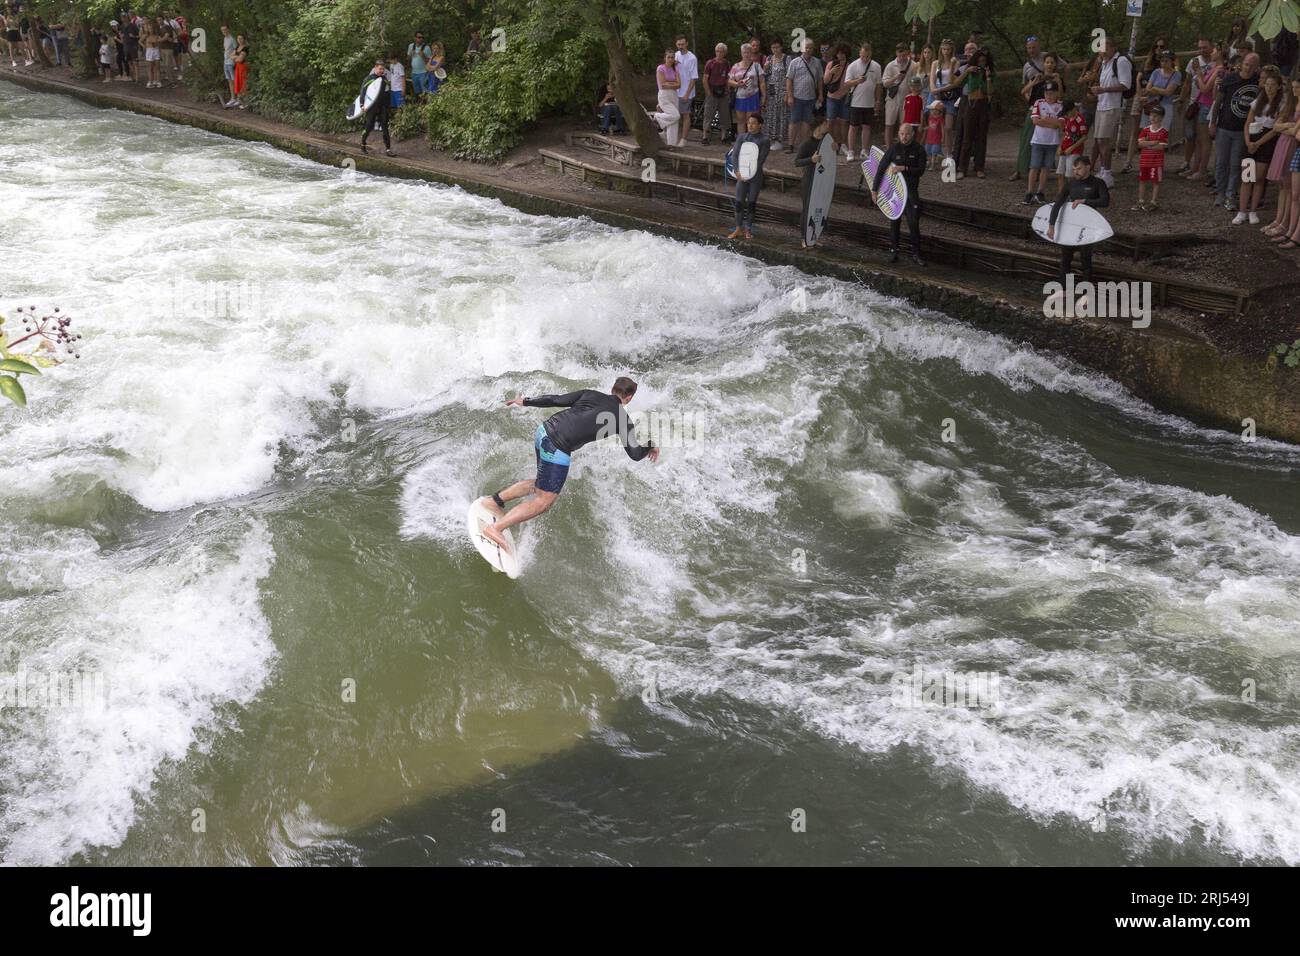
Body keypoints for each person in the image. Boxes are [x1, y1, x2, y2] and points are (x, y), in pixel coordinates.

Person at [476, 378, 658, 554]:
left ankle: (493, 501)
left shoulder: (589, 394)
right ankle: (495, 529)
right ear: (629, 398)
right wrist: (650, 445)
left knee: (541, 483)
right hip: (557, 447)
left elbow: (554, 399)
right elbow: (635, 454)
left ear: (612, 389)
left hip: (543, 431)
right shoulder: (622, 419)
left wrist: (525, 401)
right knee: (543, 501)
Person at [1046, 155, 1110, 290]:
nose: (1076, 172)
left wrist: (1085, 201)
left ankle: (1086, 292)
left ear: (1088, 167)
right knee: (1065, 260)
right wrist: (1051, 225)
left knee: (1085, 260)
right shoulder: (1070, 184)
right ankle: (1064, 289)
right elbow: (1057, 204)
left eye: (1079, 169)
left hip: (1088, 227)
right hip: (1070, 227)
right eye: (1074, 169)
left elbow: (1105, 201)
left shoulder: (1098, 183)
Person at [1211, 51, 1261, 212]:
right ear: (1242, 63)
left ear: (1256, 68)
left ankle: (1230, 196)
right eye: (1247, 64)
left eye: (1252, 66)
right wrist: (1213, 122)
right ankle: (1220, 192)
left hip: (1242, 131)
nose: (1248, 68)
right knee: (1221, 162)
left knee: (1235, 165)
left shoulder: (1258, 82)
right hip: (1224, 127)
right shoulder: (1230, 79)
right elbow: (1218, 102)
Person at [872, 121, 926, 265]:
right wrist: (874, 190)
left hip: (911, 192)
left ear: (912, 134)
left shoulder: (919, 149)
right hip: (895, 194)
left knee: (913, 223)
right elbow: (881, 169)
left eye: (907, 134)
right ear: (898, 134)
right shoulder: (893, 149)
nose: (904, 137)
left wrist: (905, 168)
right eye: (902, 134)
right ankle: (894, 251)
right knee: (894, 222)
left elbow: (921, 170)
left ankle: (916, 254)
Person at [1237, 67, 1284, 224]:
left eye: (1272, 85)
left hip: (1266, 143)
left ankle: (1253, 211)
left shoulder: (1281, 105)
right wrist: (1249, 142)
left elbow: (1274, 130)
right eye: (1267, 84)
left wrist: (1257, 143)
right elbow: (1247, 123)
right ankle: (1242, 211)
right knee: (1246, 177)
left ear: (1278, 87)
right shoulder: (1257, 102)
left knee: (1258, 178)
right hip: (1251, 139)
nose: (1269, 88)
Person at [1089, 37, 1131, 187]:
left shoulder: (1120, 61)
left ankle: (1107, 173)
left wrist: (1104, 90)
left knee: (1104, 140)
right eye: (1100, 47)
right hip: (1101, 104)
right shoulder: (1105, 63)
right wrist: (1097, 91)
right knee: (1098, 139)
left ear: (1113, 47)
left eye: (1105, 46)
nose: (1102, 50)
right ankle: (1102, 170)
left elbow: (1125, 84)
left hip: (1111, 106)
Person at [1263, 76, 1299, 238]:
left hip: (1292, 145)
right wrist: (1286, 126)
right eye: (1293, 87)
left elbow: (1294, 132)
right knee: (1281, 186)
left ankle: (1285, 223)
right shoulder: (1291, 104)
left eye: (1298, 87)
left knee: (1289, 186)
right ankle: (1278, 220)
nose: (1295, 90)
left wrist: (1285, 128)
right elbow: (1276, 126)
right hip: (1284, 143)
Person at [727, 113, 771, 240]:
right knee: (739, 203)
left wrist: (749, 174)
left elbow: (760, 159)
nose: (750, 125)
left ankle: (748, 229)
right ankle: (738, 228)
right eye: (749, 123)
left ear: (760, 125)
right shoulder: (742, 137)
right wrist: (737, 171)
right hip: (741, 176)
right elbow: (735, 155)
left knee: (751, 204)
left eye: (753, 123)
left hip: (755, 177)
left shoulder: (764, 140)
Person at [1181, 39, 1220, 181]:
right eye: (1200, 48)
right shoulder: (1197, 62)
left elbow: (1204, 88)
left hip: (1208, 105)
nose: (1202, 50)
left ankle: (1202, 170)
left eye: (1207, 47)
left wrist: (1198, 72)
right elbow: (1190, 83)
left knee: (1204, 140)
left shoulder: (1218, 68)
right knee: (1196, 139)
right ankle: (1194, 167)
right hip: (1199, 103)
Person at [794, 117, 831, 248]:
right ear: (818, 126)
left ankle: (813, 237)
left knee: (818, 209)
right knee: (807, 210)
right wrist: (811, 159)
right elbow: (796, 162)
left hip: (822, 181)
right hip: (809, 181)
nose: (828, 125)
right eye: (825, 122)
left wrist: (833, 150)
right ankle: (804, 238)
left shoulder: (826, 142)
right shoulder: (807, 144)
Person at [1024, 81, 1063, 205]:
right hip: (1038, 140)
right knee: (1034, 166)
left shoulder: (1061, 105)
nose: (1049, 96)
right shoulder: (1039, 103)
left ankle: (1040, 191)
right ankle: (1029, 192)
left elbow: (1061, 124)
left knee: (1046, 168)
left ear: (1056, 93)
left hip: (1052, 142)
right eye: (1047, 93)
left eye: (1051, 93)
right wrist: (1052, 122)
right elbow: (1035, 121)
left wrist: (1045, 119)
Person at [957, 47, 993, 179]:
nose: (981, 63)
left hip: (983, 104)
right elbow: (956, 83)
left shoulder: (989, 73)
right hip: (970, 104)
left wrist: (988, 78)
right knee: (967, 137)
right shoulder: (970, 72)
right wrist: (967, 72)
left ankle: (979, 167)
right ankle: (962, 168)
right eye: (979, 61)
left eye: (983, 61)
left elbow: (990, 93)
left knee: (981, 138)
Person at [843, 41, 880, 161]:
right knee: (853, 127)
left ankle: (864, 150)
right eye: (863, 56)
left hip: (869, 103)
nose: (865, 58)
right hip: (855, 102)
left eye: (867, 56)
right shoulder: (853, 65)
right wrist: (857, 81)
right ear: (860, 53)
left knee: (867, 126)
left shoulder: (876, 66)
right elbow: (846, 83)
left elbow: (879, 85)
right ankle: (850, 151)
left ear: (871, 54)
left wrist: (878, 100)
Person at [786, 39, 823, 156]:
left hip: (810, 97)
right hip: (796, 97)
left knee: (806, 122)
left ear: (813, 49)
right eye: (806, 47)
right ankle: (791, 145)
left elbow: (820, 80)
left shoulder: (817, 62)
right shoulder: (795, 62)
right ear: (802, 49)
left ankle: (803, 146)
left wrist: (821, 94)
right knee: (794, 121)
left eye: (810, 48)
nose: (808, 50)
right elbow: (789, 80)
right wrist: (790, 96)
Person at [930, 38, 960, 161]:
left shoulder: (956, 62)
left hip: (949, 94)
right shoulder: (935, 63)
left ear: (951, 50)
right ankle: (934, 153)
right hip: (937, 94)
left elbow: (954, 82)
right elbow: (932, 80)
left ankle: (948, 153)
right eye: (943, 49)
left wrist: (952, 65)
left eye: (948, 49)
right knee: (934, 125)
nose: (945, 52)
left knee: (948, 127)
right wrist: (934, 90)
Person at [881, 42, 916, 149]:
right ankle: (889, 149)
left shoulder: (913, 65)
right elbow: (885, 83)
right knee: (889, 124)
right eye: (899, 56)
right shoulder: (891, 65)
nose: (901, 58)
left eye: (904, 56)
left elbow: (916, 82)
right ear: (896, 53)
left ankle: (903, 148)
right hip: (892, 98)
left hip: (907, 99)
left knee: (904, 126)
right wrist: (896, 77)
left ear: (908, 54)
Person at [1135, 105, 1168, 211]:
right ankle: (1141, 200)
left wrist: (1146, 144)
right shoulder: (1145, 130)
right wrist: (1153, 143)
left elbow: (1161, 147)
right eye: (1151, 115)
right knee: (1142, 180)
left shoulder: (1163, 132)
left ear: (1161, 117)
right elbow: (1140, 144)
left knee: (1156, 182)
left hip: (1156, 162)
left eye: (1155, 116)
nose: (1152, 118)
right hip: (1145, 162)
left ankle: (1153, 201)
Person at [729, 43, 765, 138]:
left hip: (753, 96)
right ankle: (741, 140)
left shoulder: (756, 66)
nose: (746, 54)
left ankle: (751, 140)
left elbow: (762, 82)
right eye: (744, 52)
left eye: (748, 52)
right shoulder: (735, 66)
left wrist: (764, 96)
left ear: (751, 53)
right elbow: (728, 81)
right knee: (740, 120)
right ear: (741, 53)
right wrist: (737, 84)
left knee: (752, 120)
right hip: (740, 97)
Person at [358, 59, 393, 155]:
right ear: (375, 68)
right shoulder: (369, 78)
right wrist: (362, 105)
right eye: (380, 69)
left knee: (385, 126)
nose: (382, 71)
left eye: (383, 69)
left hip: (382, 106)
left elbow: (387, 93)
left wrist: (388, 106)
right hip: (372, 106)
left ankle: (388, 149)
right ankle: (362, 145)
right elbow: (363, 92)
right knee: (369, 126)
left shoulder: (384, 79)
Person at [1054, 99, 1087, 195]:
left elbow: (1084, 137)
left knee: (1070, 175)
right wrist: (1060, 146)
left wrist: (1071, 148)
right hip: (1064, 150)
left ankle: (1071, 195)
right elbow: (1066, 134)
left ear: (1073, 109)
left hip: (1074, 150)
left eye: (1067, 113)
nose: (1065, 115)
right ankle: (1061, 194)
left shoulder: (1080, 119)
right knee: (1060, 173)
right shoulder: (1067, 119)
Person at [824, 43, 850, 157]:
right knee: (830, 122)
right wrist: (831, 72)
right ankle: (832, 143)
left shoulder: (850, 65)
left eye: (843, 53)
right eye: (839, 53)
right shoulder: (831, 64)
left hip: (844, 97)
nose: (840, 55)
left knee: (843, 122)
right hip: (832, 97)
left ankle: (843, 144)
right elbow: (825, 81)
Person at [701, 43, 730, 145]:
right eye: (717, 51)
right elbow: (704, 79)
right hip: (712, 90)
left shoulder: (726, 63)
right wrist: (708, 93)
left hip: (723, 92)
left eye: (721, 51)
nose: (719, 53)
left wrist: (727, 91)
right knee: (708, 114)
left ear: (725, 52)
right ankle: (705, 136)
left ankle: (724, 136)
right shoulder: (710, 63)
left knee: (724, 114)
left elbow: (728, 78)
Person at [763, 39, 789, 148]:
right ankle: (771, 138)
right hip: (771, 92)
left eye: (777, 47)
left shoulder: (786, 59)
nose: (775, 49)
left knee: (781, 115)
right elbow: (766, 75)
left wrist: (788, 93)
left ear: (781, 47)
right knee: (771, 115)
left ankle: (780, 139)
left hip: (782, 91)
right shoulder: (769, 58)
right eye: (773, 47)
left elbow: (789, 77)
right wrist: (765, 68)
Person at [655, 47, 683, 146]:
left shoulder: (675, 69)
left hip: (674, 95)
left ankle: (672, 144)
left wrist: (670, 83)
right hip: (664, 95)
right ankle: (657, 116)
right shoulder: (660, 68)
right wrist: (673, 83)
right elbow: (662, 84)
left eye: (672, 57)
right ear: (665, 58)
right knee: (676, 115)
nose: (670, 59)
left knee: (674, 121)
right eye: (668, 57)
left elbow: (679, 85)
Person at [674, 35, 698, 146]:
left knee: (685, 115)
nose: (680, 46)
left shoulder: (692, 58)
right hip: (676, 90)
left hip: (686, 92)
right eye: (679, 44)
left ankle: (683, 139)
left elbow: (694, 78)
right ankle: (667, 133)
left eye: (682, 44)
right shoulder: (675, 55)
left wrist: (687, 94)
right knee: (673, 113)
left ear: (686, 43)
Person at [407, 32, 432, 98]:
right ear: (415, 38)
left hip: (423, 73)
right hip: (414, 73)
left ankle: (426, 106)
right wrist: (410, 55)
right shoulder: (411, 46)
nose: (421, 39)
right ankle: (419, 105)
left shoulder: (426, 48)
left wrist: (423, 56)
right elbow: (408, 59)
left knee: (425, 90)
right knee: (417, 91)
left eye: (422, 37)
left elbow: (431, 62)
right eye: (419, 37)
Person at [228, 34, 249, 108]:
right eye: (238, 38)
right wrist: (237, 57)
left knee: (244, 83)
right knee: (238, 83)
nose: (239, 40)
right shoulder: (237, 47)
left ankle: (245, 102)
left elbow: (240, 60)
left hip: (243, 67)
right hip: (237, 67)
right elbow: (230, 56)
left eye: (241, 38)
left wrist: (235, 57)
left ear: (244, 39)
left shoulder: (245, 48)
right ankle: (240, 100)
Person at [924, 98, 945, 169]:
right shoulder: (930, 117)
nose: (931, 111)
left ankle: (932, 165)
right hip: (929, 138)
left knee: (934, 152)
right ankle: (929, 163)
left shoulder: (940, 119)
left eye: (933, 110)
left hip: (936, 139)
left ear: (938, 111)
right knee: (928, 151)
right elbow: (930, 126)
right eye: (931, 110)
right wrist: (926, 128)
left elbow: (942, 128)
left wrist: (943, 137)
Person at [221, 24, 237, 104]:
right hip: (225, 62)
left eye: (225, 29)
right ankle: (232, 98)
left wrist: (232, 57)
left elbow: (236, 49)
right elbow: (226, 50)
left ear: (228, 30)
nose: (224, 31)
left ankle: (238, 98)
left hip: (231, 62)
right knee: (229, 80)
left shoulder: (232, 39)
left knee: (234, 80)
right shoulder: (225, 39)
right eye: (222, 30)